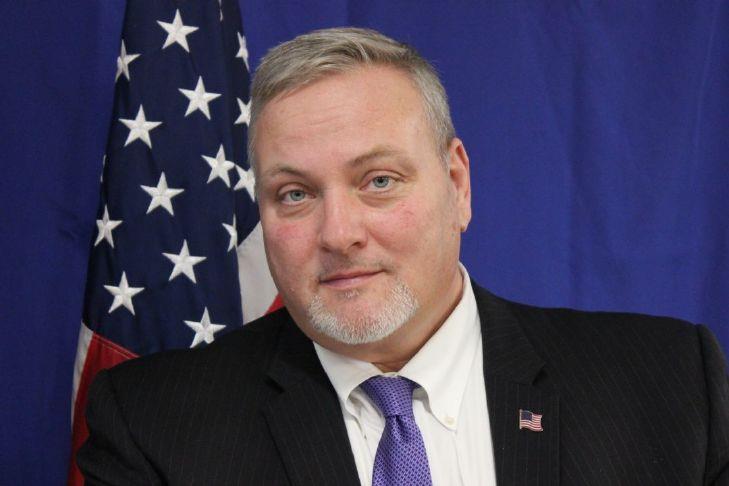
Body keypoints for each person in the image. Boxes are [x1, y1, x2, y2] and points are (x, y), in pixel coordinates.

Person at [78, 27, 729, 486]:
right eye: (295, 194)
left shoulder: (670, 387)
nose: (339, 234)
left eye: (379, 181)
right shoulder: (152, 426)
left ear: (457, 185)